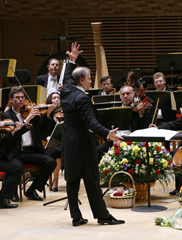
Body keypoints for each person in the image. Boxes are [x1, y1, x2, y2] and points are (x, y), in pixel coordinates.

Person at [60, 42, 124, 226]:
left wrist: (72, 60)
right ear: (81, 81)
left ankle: (76, 217)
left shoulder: (66, 91)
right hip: (83, 143)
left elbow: (66, 78)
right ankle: (102, 215)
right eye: (89, 78)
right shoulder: (82, 98)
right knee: (92, 180)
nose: (91, 80)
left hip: (69, 141)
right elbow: (91, 123)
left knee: (71, 180)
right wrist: (108, 134)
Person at [0, 87, 56, 201]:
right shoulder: (7, 115)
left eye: (22, 97)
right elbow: (11, 137)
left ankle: (32, 190)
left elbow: (43, 131)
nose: (21, 100)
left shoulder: (31, 112)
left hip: (31, 151)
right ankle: (13, 192)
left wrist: (48, 114)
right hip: (16, 152)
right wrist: (28, 119)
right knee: (17, 167)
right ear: (11, 100)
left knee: (50, 162)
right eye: (17, 98)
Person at [40, 92, 63, 192]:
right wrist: (49, 113)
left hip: (61, 143)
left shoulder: (62, 114)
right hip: (48, 145)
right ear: (49, 101)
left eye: (58, 98)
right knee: (56, 151)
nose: (57, 100)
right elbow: (42, 133)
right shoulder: (44, 115)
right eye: (54, 98)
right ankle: (56, 181)